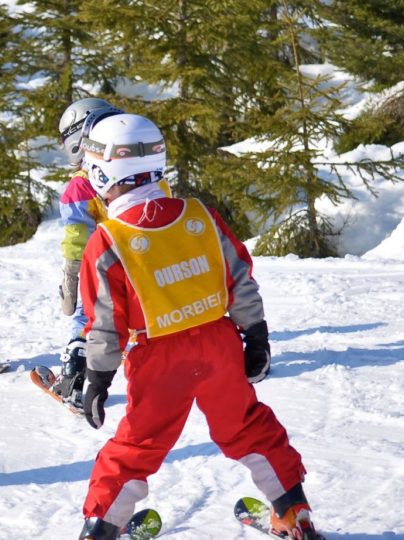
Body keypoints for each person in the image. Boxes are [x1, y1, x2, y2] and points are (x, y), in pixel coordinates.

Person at [72, 114, 322, 540]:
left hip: (158, 358)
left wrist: (97, 376)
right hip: (217, 343)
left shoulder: (109, 239)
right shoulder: (199, 216)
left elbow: (106, 321)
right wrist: (255, 333)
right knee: (246, 425)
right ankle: (293, 512)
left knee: (136, 447)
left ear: (101, 172)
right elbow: (239, 275)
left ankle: (100, 530)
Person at [50, 98, 172, 410]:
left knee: (90, 316)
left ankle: (75, 376)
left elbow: (78, 234)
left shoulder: (79, 188)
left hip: (104, 261)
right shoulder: (151, 175)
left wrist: (73, 271)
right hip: (146, 258)